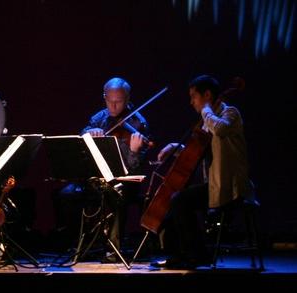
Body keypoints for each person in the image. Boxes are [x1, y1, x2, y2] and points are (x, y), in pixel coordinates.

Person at [152, 74, 254, 269]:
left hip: (230, 185)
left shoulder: (230, 113)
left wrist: (206, 109)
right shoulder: (210, 120)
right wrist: (175, 147)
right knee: (176, 201)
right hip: (215, 185)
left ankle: (196, 255)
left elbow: (221, 130)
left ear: (207, 95)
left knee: (179, 200)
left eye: (194, 97)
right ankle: (184, 255)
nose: (191, 103)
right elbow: (199, 149)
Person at [54, 77, 149, 262]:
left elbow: (134, 167)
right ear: (104, 97)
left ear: (128, 98)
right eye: (109, 100)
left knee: (114, 194)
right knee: (65, 195)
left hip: (125, 181)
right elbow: (82, 134)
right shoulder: (100, 117)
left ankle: (112, 251)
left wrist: (134, 151)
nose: (113, 106)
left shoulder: (138, 124)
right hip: (98, 178)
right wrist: (88, 133)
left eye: (119, 101)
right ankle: (76, 243)